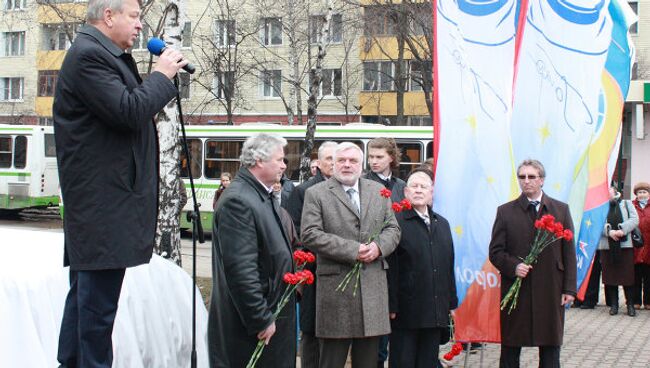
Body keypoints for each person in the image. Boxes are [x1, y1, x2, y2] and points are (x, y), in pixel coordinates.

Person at [52, 0, 186, 365]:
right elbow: (129, 112)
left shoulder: (101, 54)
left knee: (87, 308)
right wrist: (160, 76)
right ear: (108, 16)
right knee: (95, 314)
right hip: (102, 208)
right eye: (134, 16)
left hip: (104, 206)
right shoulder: (89, 56)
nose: (140, 25)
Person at [301, 142, 400, 368]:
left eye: (353, 161)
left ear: (361, 165)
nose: (347, 165)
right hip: (336, 293)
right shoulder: (316, 193)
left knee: (369, 362)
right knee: (331, 362)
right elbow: (309, 234)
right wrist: (352, 250)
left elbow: (393, 229)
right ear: (333, 164)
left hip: (372, 291)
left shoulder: (378, 192)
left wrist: (378, 247)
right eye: (342, 161)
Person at [208, 134, 296, 367]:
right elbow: (241, 269)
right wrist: (260, 319)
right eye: (279, 159)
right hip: (253, 328)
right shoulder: (240, 201)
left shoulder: (260, 195)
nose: (284, 165)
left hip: (270, 315)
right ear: (258, 160)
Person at [489, 159, 576, 368]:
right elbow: (495, 252)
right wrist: (513, 266)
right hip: (517, 289)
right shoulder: (505, 211)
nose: (526, 181)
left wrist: (569, 288)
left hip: (550, 288)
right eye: (522, 177)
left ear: (542, 180)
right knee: (511, 346)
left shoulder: (560, 210)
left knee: (550, 347)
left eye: (531, 177)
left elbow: (568, 253)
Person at [387, 169, 457, 368]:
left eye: (423, 186)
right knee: (403, 361)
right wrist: (391, 305)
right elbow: (390, 268)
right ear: (406, 192)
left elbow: (447, 265)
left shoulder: (442, 224)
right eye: (414, 186)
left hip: (435, 311)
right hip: (406, 311)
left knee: (428, 362)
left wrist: (451, 302)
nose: (418, 190)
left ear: (431, 192)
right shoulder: (395, 223)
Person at [285, 141, 338, 368]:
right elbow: (293, 231)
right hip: (312, 272)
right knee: (312, 330)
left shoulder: (351, 189)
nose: (335, 164)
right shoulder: (303, 191)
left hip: (340, 271)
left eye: (340, 159)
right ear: (318, 163)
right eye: (330, 159)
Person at [362, 137, 405, 366]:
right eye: (371, 157)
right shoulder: (364, 184)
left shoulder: (401, 187)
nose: (374, 162)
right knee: (376, 345)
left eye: (379, 157)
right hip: (375, 262)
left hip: (400, 263)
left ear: (391, 157)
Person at [598, 185, 639, 317]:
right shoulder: (600, 206)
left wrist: (622, 229)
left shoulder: (626, 203)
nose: (606, 192)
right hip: (607, 245)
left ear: (616, 191)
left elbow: (634, 219)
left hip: (625, 245)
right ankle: (614, 305)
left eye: (608, 189)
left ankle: (630, 305)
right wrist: (609, 231)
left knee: (627, 276)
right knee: (610, 276)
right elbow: (596, 222)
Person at [632, 182, 650, 309]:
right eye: (639, 192)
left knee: (648, 277)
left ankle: (648, 302)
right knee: (636, 276)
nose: (642, 194)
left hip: (649, 245)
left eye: (644, 192)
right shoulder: (632, 206)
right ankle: (636, 301)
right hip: (635, 246)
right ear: (636, 195)